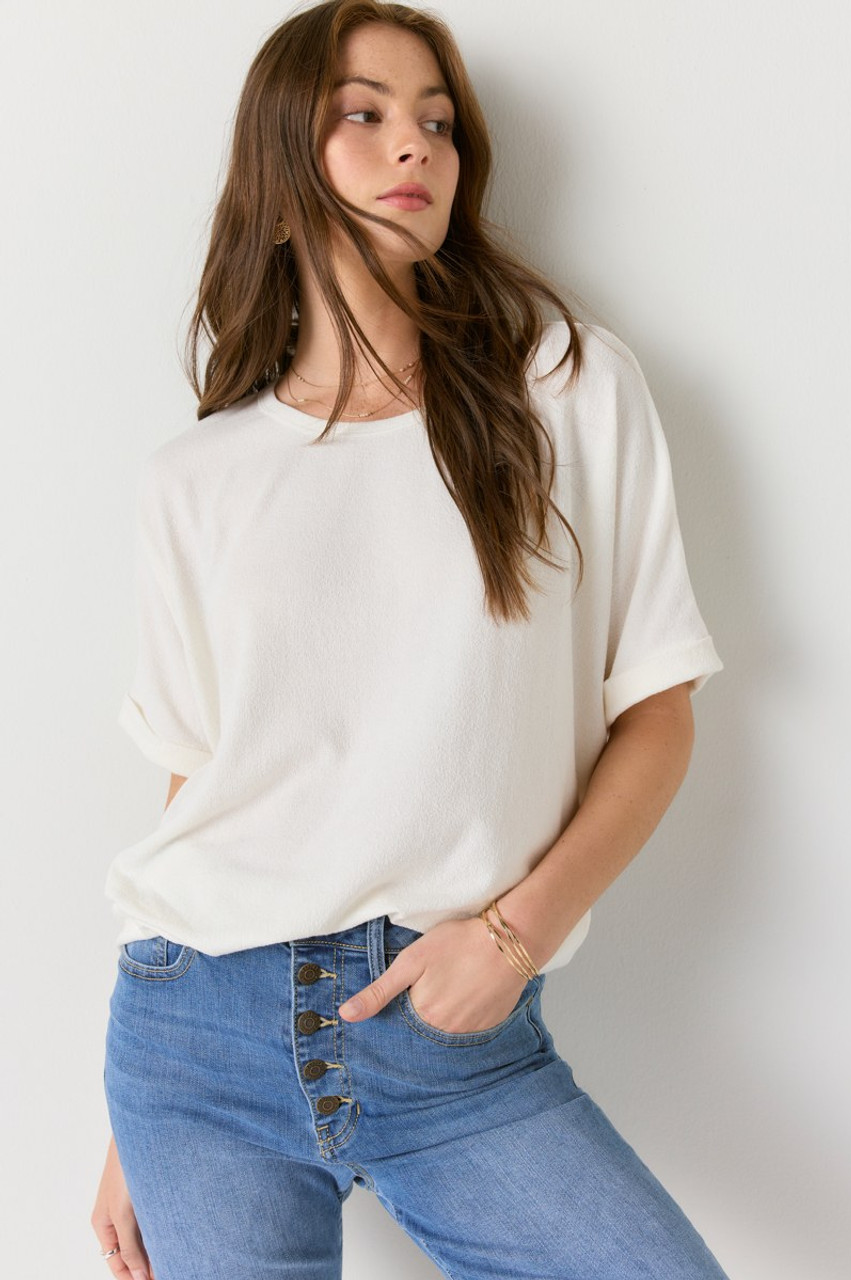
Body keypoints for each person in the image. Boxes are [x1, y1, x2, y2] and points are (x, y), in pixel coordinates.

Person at [91, 2, 730, 1277]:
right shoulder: (196, 478)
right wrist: (128, 1132)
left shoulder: (565, 388)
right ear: (280, 173)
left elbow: (657, 711)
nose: (414, 147)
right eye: (364, 115)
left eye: (436, 122)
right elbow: (199, 779)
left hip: (450, 1042)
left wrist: (513, 936)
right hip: (192, 1043)